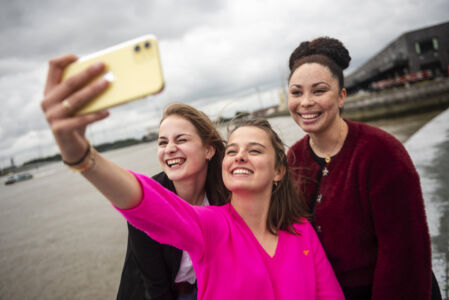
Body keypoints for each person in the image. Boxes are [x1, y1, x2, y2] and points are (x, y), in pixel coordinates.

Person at [41, 56, 344, 298]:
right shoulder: (208, 226)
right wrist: (81, 156)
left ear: (279, 170)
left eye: (254, 150)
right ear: (224, 164)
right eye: (234, 150)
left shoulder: (302, 231)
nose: (239, 156)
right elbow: (143, 200)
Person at [286, 37, 439, 299]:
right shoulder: (294, 157)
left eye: (319, 90)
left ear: (342, 96)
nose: (306, 102)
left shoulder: (381, 151)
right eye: (296, 92)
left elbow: (404, 251)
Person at [116, 103, 229, 300]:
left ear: (208, 150)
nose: (169, 149)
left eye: (181, 139)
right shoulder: (145, 201)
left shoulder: (225, 190)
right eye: (162, 142)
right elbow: (156, 287)